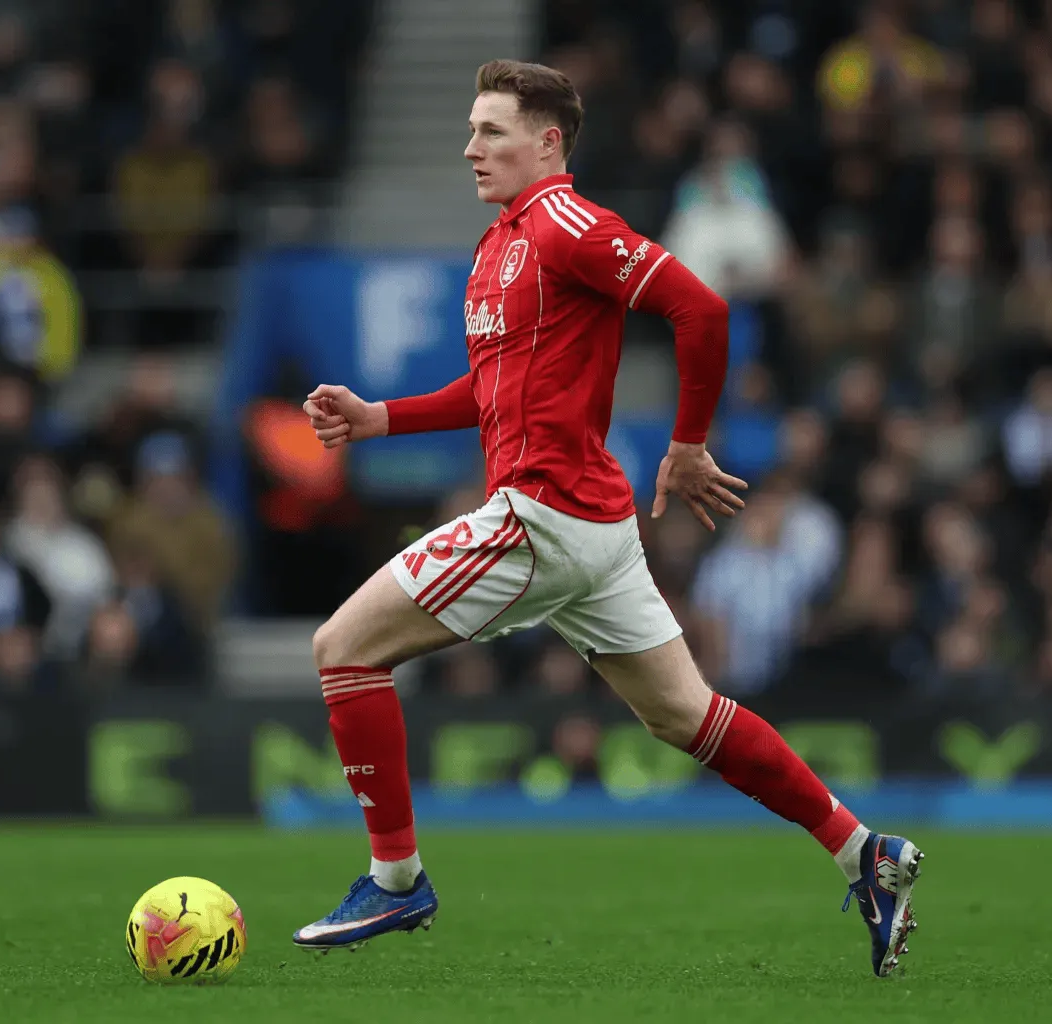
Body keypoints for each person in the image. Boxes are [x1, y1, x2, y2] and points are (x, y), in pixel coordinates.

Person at [294, 60, 923, 978]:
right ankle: (864, 852)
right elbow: (489, 388)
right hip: (595, 533)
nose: (471, 148)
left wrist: (688, 444)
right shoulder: (501, 244)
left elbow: (699, 307)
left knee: (343, 650)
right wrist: (379, 418)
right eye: (470, 130)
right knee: (685, 715)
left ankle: (396, 881)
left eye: (491, 131)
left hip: (541, 516)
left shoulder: (566, 223)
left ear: (548, 141)